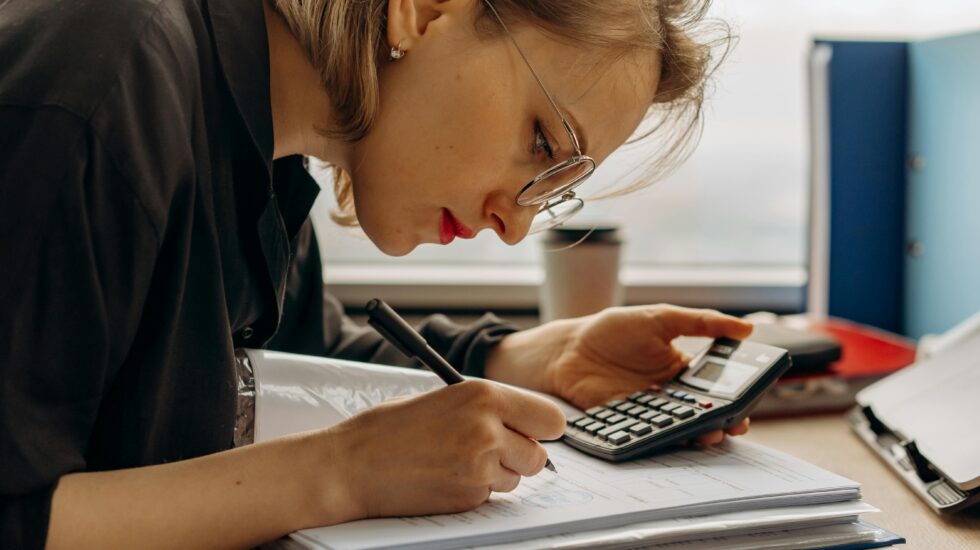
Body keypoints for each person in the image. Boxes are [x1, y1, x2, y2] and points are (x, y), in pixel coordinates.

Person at [0, 0, 753, 547]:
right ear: (425, 11)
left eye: (557, 186)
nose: (517, 222)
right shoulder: (102, 85)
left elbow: (293, 355)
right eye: (541, 140)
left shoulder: (266, 145)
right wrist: (342, 474)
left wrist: (520, 360)